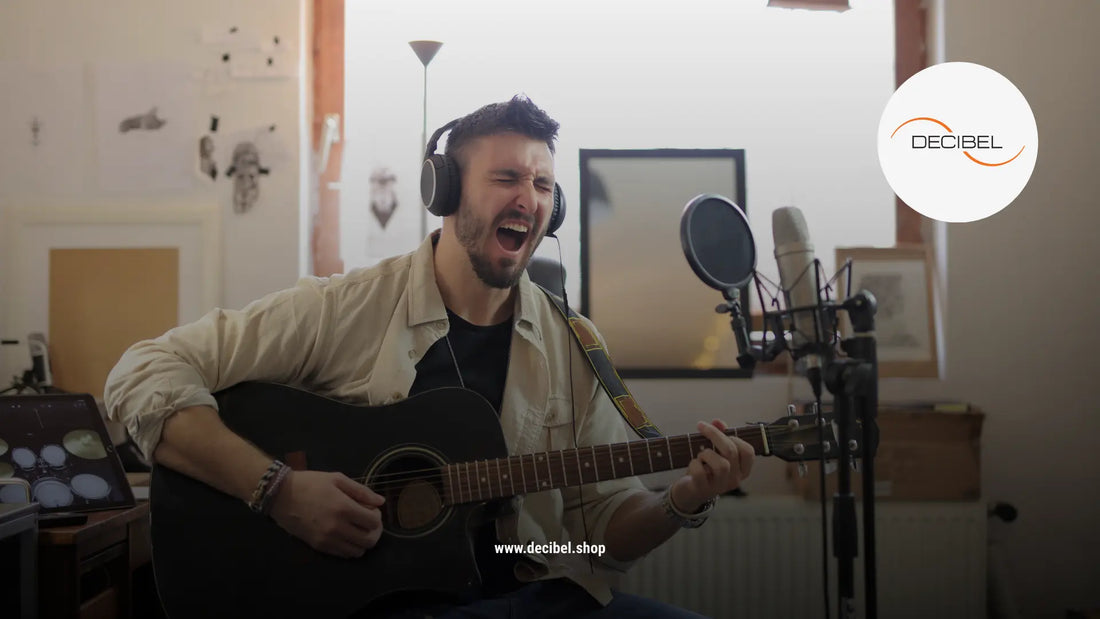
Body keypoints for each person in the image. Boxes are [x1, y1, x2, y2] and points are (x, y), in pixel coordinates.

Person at [104, 95, 754, 618]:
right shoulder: (344, 309)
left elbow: (594, 540)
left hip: (539, 578)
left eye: (543, 183)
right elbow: (142, 373)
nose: (528, 197)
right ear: (444, 192)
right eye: (506, 177)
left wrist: (681, 500)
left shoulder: (574, 345)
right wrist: (278, 490)